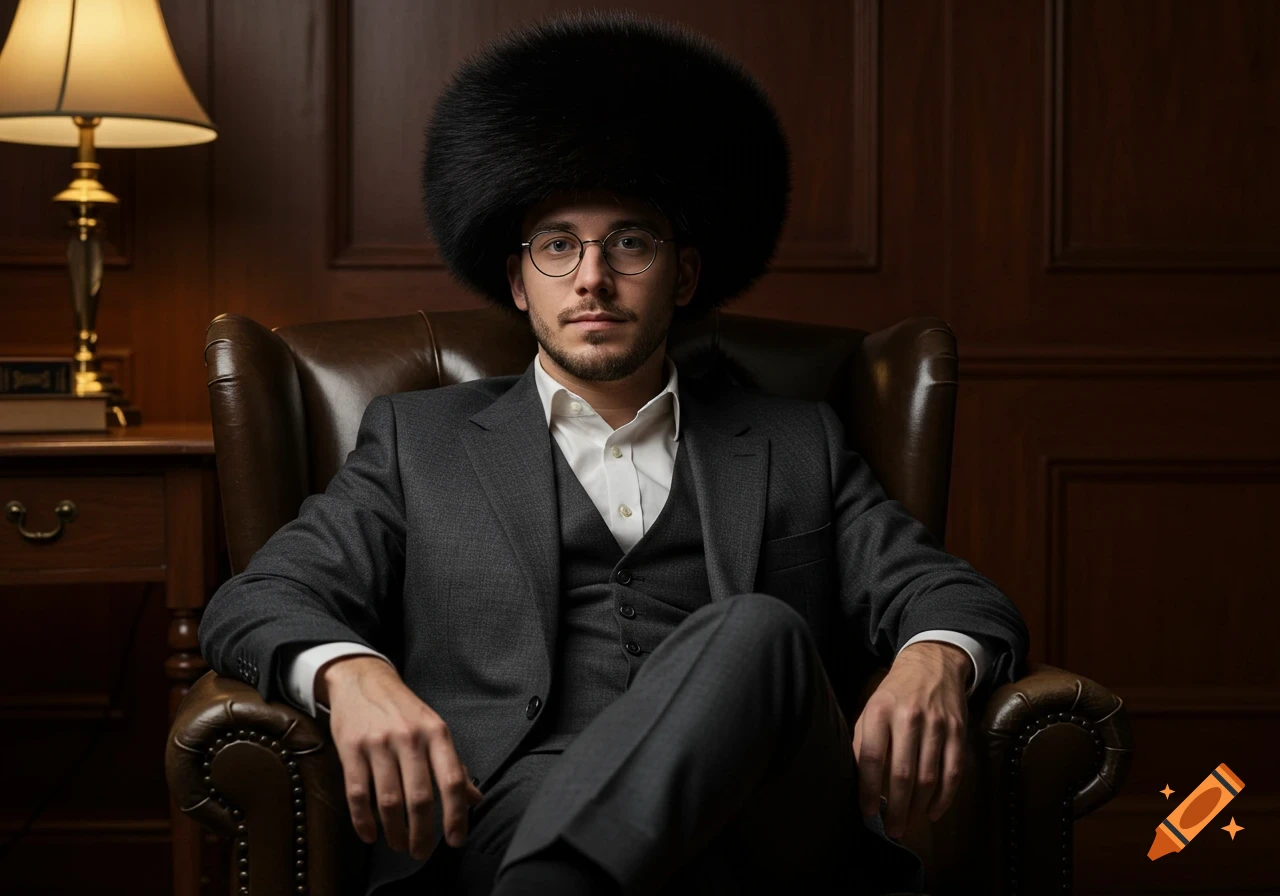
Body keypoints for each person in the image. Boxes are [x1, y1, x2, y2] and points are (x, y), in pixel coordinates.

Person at [197, 10, 1030, 896]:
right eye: (559, 246)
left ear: (685, 273)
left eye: (629, 241)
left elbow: (951, 592)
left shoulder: (797, 441)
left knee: (758, 628)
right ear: (519, 283)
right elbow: (258, 598)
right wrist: (350, 673)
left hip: (763, 818)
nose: (592, 276)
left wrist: (934, 659)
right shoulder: (419, 443)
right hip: (507, 801)